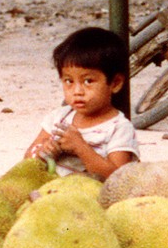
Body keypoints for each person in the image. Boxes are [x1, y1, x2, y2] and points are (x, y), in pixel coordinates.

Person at [24, 27, 140, 179]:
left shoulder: (118, 128)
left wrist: (81, 148)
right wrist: (42, 152)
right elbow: (28, 160)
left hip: (93, 198)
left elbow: (118, 178)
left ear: (115, 83)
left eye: (88, 81)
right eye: (68, 81)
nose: (77, 91)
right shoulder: (58, 119)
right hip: (52, 194)